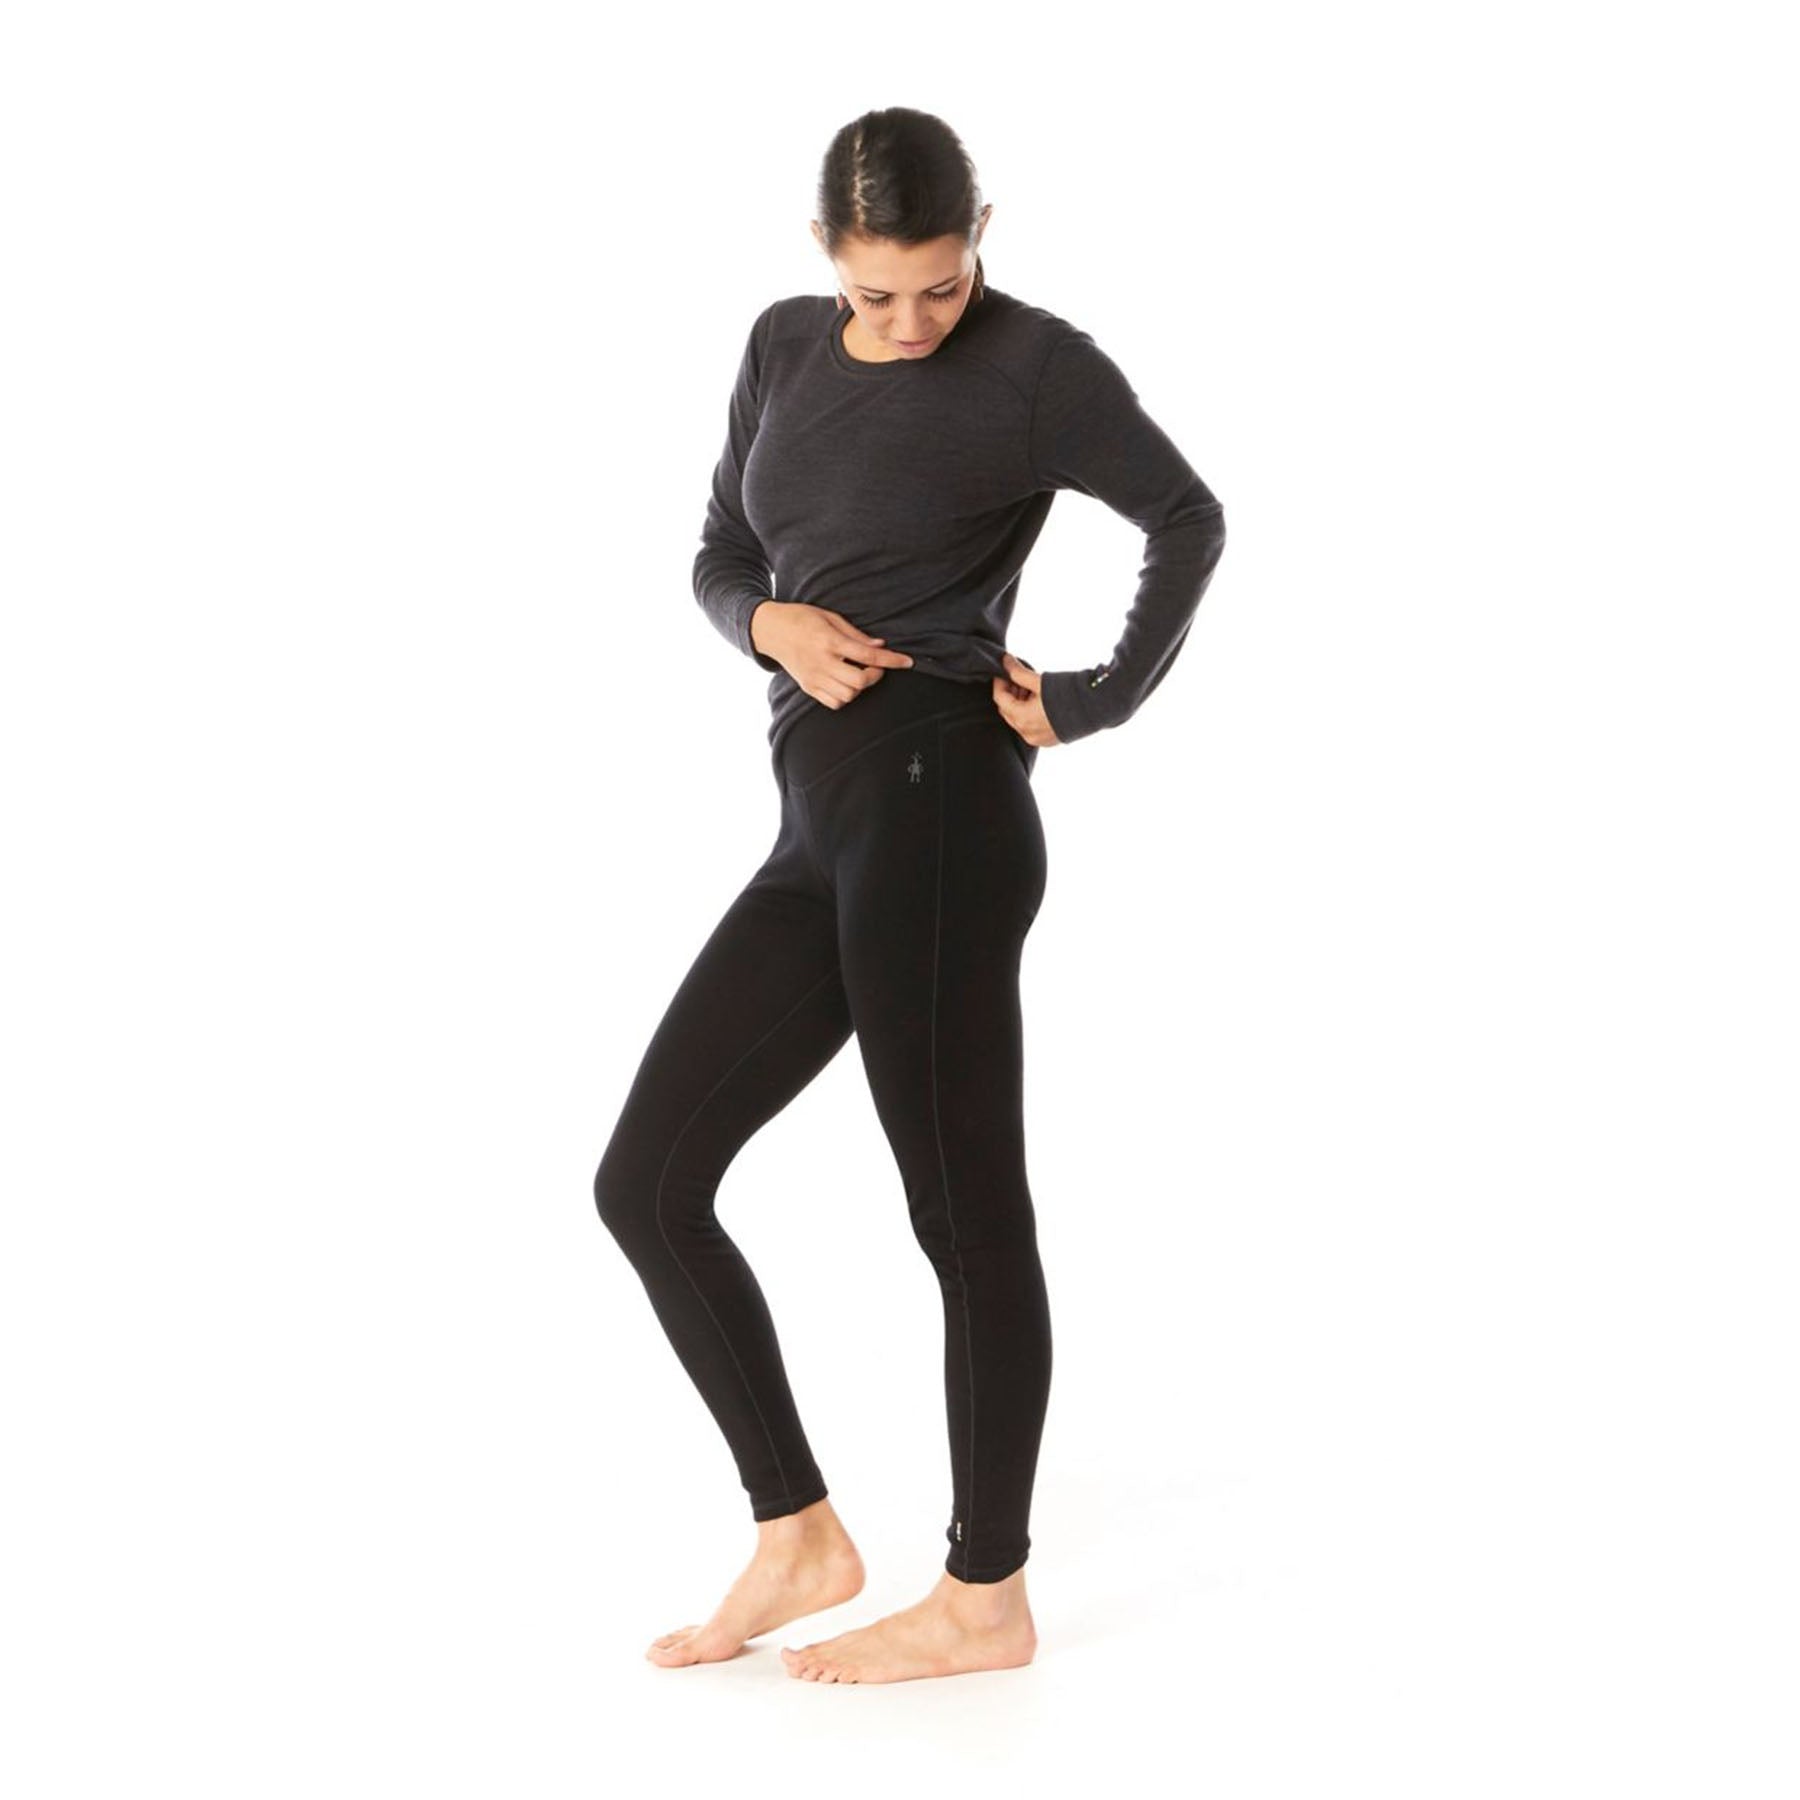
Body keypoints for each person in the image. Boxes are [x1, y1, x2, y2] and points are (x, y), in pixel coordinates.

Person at [593, 106, 1226, 1685]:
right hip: (820, 825)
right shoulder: (779, 346)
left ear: (981, 236)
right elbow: (722, 547)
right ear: (826, 256)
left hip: (941, 808)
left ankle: (984, 1595)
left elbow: (1187, 516)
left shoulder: (1037, 367)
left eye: (942, 284)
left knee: (963, 1212)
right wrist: (769, 627)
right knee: (646, 1183)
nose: (913, 319)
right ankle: (798, 1532)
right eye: (877, 292)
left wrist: (1091, 699)